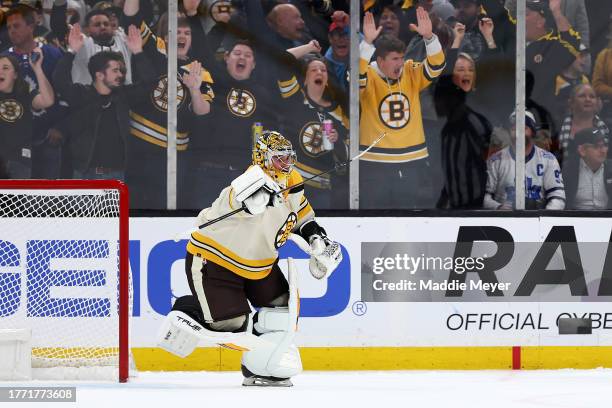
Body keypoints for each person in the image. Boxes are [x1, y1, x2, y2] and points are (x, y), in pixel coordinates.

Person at [158, 130, 342, 386]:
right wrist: (256, 198)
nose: (286, 163)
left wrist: (317, 239)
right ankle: (189, 308)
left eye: (289, 157)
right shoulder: (247, 182)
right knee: (230, 326)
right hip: (216, 262)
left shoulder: (294, 180)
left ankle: (260, 367)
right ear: (263, 159)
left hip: (260, 265)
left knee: (282, 311)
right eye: (279, 158)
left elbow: (302, 218)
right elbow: (241, 196)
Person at [359, 8, 445, 209]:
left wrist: (430, 38)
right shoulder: (368, 74)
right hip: (375, 161)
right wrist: (367, 44)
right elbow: (356, 78)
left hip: (411, 159)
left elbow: (436, 65)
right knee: (374, 214)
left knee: (406, 213)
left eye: (401, 57)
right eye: (395, 59)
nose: (401, 63)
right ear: (380, 61)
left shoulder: (410, 71)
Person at [53, 24, 154, 180]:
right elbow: (59, 80)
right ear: (99, 75)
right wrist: (71, 51)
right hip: (84, 174)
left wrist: (138, 52)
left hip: (116, 176)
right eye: (115, 70)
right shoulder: (81, 95)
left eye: (121, 70)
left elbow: (149, 84)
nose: (121, 75)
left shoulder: (123, 96)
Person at [484, 110, 566, 210]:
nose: (518, 133)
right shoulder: (496, 160)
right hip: (505, 219)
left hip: (539, 219)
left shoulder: (548, 159)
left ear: (533, 132)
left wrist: (544, 216)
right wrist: (498, 207)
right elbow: (485, 198)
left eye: (524, 128)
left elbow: (558, 197)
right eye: (514, 129)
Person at [0, 52, 54, 178]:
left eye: (5, 68)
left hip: (19, 161)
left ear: (15, 75)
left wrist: (37, 69)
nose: (0, 71)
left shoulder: (25, 91)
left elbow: (48, 101)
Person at [557, 83, 610, 167]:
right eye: (582, 96)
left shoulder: (608, 128)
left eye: (592, 96)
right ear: (571, 102)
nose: (588, 99)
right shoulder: (558, 126)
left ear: (597, 102)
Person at [562, 128, 612, 210]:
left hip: (607, 218)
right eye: (596, 147)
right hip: (577, 218)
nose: (603, 150)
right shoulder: (568, 170)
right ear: (582, 150)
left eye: (604, 145)